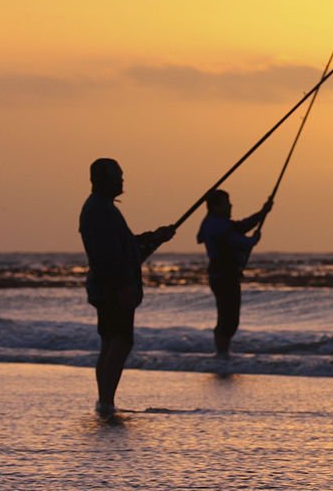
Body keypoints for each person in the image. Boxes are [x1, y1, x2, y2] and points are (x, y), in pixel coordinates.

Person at [79, 158, 175, 419]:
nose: (122, 180)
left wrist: (155, 237)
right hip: (112, 289)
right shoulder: (100, 211)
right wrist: (122, 287)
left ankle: (105, 401)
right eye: (118, 176)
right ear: (103, 179)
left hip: (105, 287)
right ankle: (106, 402)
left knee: (111, 341)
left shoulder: (101, 208)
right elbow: (109, 256)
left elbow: (126, 247)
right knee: (120, 341)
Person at [196, 190, 271, 358]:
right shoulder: (217, 225)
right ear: (215, 206)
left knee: (227, 317)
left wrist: (262, 212)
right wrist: (253, 240)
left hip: (223, 275)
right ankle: (222, 354)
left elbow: (241, 227)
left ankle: (222, 353)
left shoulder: (214, 222)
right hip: (224, 276)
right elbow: (239, 240)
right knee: (228, 319)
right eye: (226, 203)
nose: (230, 206)